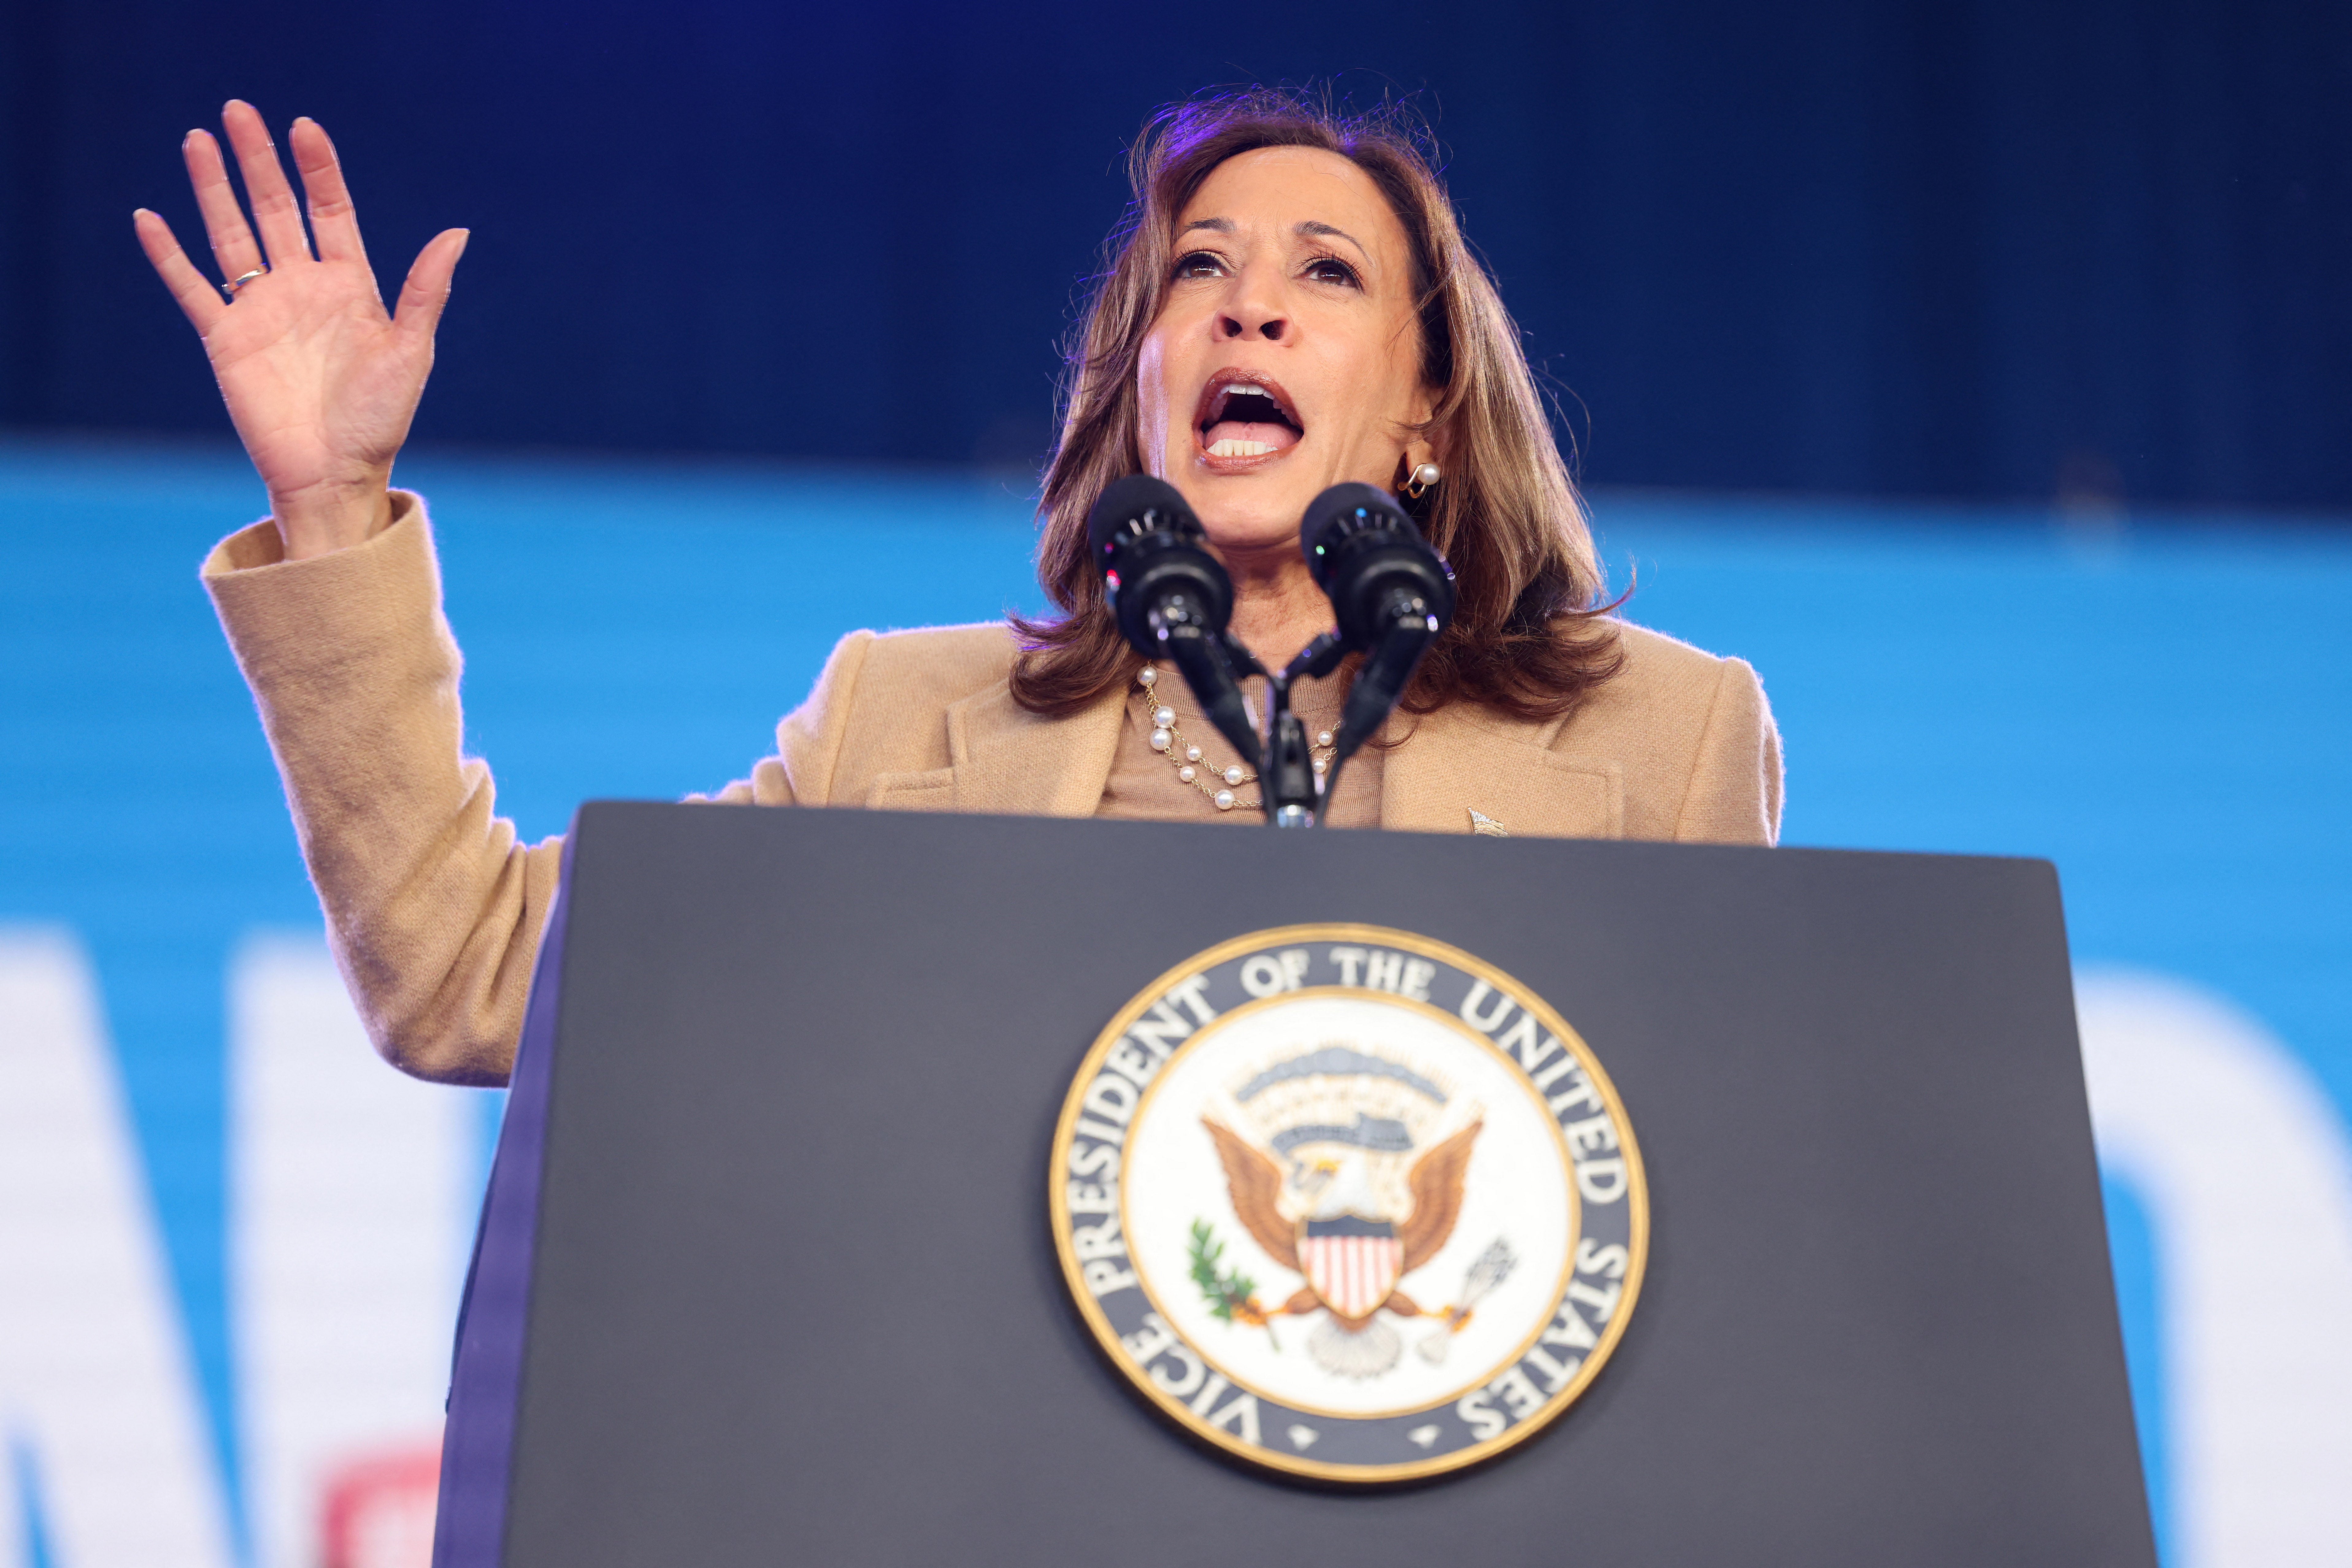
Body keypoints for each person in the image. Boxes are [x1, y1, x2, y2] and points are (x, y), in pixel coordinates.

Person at [136, 90, 1782, 1090]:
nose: (1244, 312)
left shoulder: (1660, 744)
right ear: (1140, 383)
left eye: (1324, 274)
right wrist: (333, 502)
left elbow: (1740, 1195)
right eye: (1195, 270)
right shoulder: (902, 729)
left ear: (1428, 407)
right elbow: (462, 969)